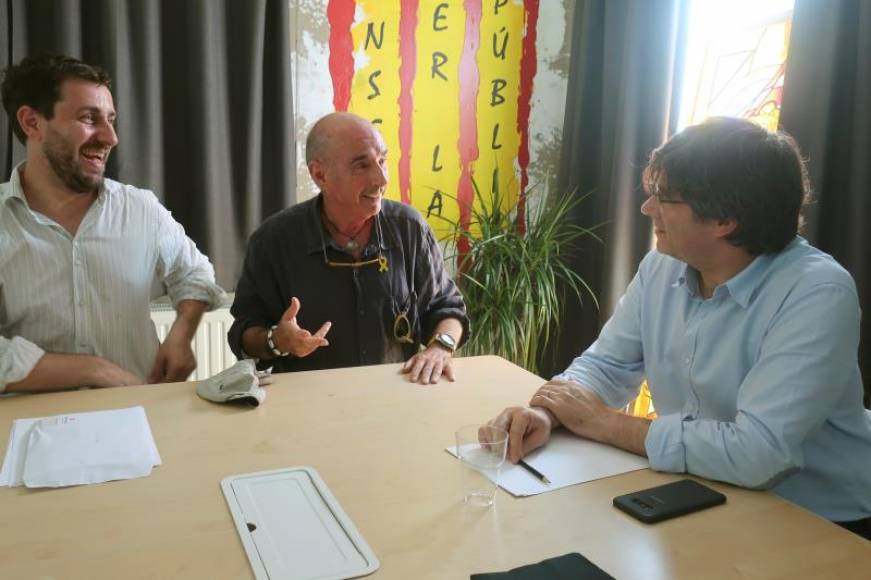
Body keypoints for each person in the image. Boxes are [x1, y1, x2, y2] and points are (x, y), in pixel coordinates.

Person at [488, 117, 871, 538]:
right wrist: (547, 413)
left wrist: (605, 423)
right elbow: (607, 365)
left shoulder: (816, 291)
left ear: (726, 219)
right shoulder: (661, 265)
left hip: (818, 520)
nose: (646, 208)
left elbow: (758, 454)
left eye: (663, 197)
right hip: (698, 494)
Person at [0, 54, 225, 394]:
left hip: (138, 418)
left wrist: (181, 335)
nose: (110, 137)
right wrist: (94, 370)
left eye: (111, 120)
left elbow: (196, 275)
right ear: (32, 123)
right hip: (31, 430)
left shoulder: (142, 209)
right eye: (89, 118)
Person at [228, 112, 468, 384]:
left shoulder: (408, 229)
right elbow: (244, 335)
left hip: (394, 400)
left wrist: (441, 348)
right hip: (308, 406)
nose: (381, 179)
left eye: (382, 161)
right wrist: (275, 340)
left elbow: (447, 307)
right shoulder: (273, 241)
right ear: (320, 175)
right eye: (361, 166)